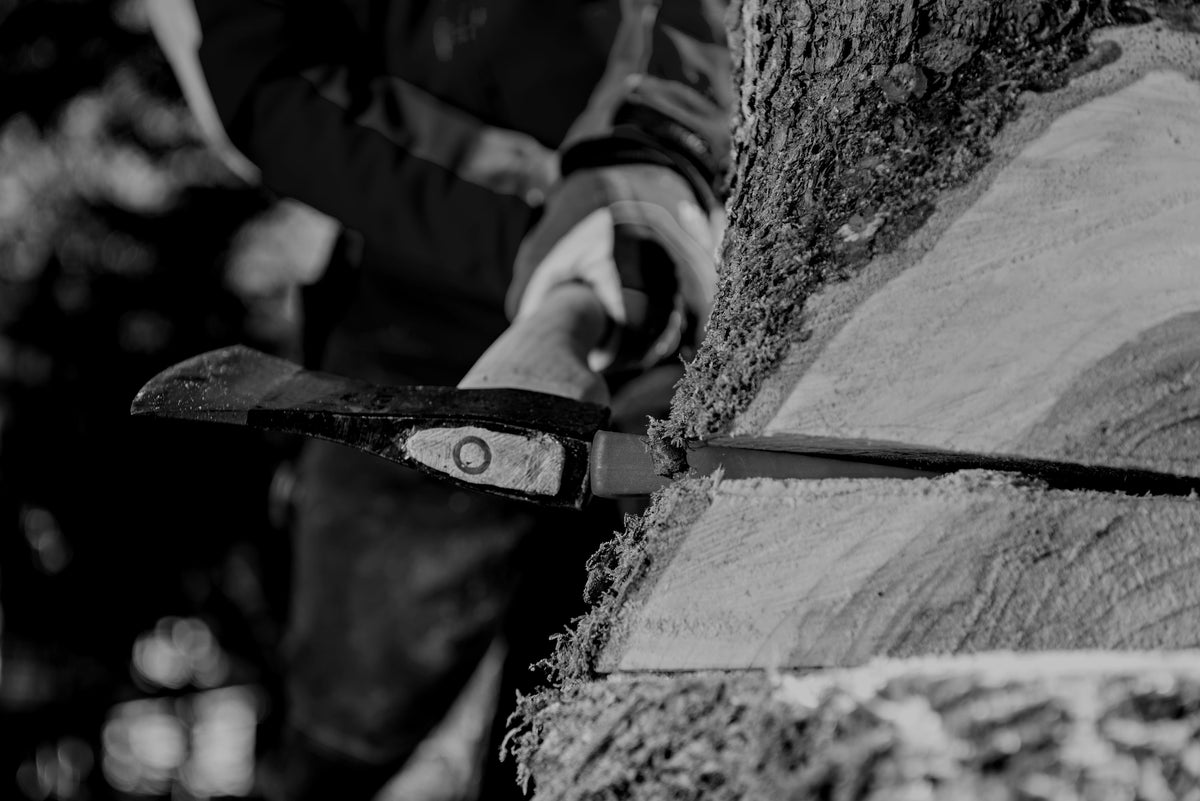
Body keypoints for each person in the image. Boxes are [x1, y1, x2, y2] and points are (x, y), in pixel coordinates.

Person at [150, 1, 733, 798]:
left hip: (673, 223)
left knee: (620, 681)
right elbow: (267, 85)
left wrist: (651, 152)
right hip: (424, 279)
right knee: (345, 713)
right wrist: (542, 226)